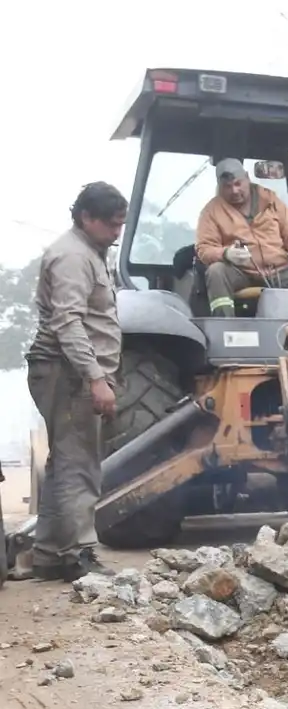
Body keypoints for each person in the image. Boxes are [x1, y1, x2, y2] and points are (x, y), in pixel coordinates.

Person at [26, 182, 129, 581]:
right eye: (111, 225)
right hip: (66, 373)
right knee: (80, 462)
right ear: (87, 217)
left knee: (64, 461)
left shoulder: (91, 252)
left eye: (121, 225)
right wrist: (95, 378)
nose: (117, 232)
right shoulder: (71, 257)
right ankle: (81, 554)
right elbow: (68, 323)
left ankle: (51, 554)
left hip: (69, 371)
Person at [195, 159, 288, 317]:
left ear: (247, 178)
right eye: (228, 187)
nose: (235, 191)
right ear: (219, 186)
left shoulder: (271, 201)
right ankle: (225, 329)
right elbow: (204, 249)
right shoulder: (211, 211)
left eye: (238, 183)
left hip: (278, 271)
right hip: (240, 273)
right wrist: (226, 253)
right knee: (216, 272)